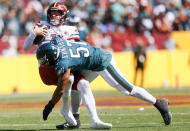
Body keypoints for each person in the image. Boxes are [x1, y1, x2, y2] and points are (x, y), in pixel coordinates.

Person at [36, 37, 172, 127]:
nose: (45, 64)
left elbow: (61, 88)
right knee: (79, 85)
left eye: (46, 60)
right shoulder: (56, 41)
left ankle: (159, 103)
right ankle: (76, 118)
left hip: (102, 61)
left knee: (127, 89)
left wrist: (50, 105)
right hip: (89, 62)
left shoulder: (63, 63)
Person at [23, 2, 112, 130]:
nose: (54, 15)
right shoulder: (42, 26)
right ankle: (65, 108)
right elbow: (26, 47)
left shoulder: (70, 29)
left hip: (66, 65)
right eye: (52, 12)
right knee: (68, 78)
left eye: (57, 12)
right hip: (47, 67)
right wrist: (33, 33)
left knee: (83, 84)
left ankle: (95, 119)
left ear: (64, 15)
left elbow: (73, 53)